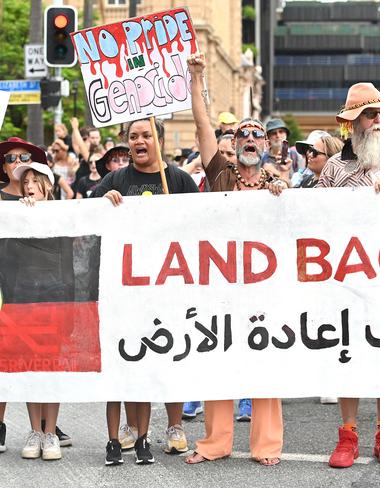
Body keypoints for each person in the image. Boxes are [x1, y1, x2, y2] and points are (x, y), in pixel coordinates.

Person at [184, 52, 285, 467]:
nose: (248, 138)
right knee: (219, 362)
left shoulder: (278, 185)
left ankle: (266, 446)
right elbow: (204, 126)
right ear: (235, 142)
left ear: (265, 146)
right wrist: (197, 79)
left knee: (265, 367)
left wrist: (283, 197)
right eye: (242, 133)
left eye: (256, 135)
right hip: (222, 287)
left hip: (264, 290)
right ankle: (215, 443)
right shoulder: (220, 174)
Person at [315, 82, 380, 468]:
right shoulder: (332, 167)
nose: (379, 121)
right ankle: (348, 435)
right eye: (370, 114)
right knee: (349, 355)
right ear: (352, 122)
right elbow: (312, 218)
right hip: (346, 278)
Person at [92, 117, 197, 466]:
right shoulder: (115, 179)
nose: (140, 141)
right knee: (129, 356)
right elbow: (87, 217)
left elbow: (203, 225)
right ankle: (133, 429)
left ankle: (175, 426)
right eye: (133, 136)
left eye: (146, 135)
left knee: (171, 357)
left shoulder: (179, 179)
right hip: (126, 291)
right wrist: (102, 201)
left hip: (169, 288)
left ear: (159, 141)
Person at [0, 137, 72, 452]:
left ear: (45, 183)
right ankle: (4, 425)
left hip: (49, 295)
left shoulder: (56, 209)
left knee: (48, 361)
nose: (17, 163)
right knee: (16, 359)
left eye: (24, 158)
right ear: (4, 167)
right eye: (10, 159)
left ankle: (49, 429)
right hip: (10, 292)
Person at [12, 162, 63, 460]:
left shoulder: (63, 214)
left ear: (48, 185)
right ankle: (35, 430)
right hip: (25, 298)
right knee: (30, 365)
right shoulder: (16, 212)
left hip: (56, 297)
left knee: (52, 367)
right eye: (25, 181)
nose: (29, 185)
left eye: (35, 180)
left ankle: (51, 433)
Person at [261, 118, 300, 186]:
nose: (278, 136)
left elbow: (300, 183)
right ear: (268, 137)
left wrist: (276, 172)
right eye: (274, 133)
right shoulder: (262, 158)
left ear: (286, 135)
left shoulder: (295, 156)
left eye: (281, 131)